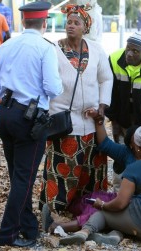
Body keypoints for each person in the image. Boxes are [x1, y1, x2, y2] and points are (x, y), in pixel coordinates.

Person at [0, 1, 63, 247]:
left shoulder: (6, 46)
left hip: (5, 114)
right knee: (23, 178)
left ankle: (28, 228)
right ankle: (7, 234)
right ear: (44, 23)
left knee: (17, 174)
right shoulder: (45, 48)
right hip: (29, 118)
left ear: (24, 21)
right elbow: (53, 88)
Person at [39, 4, 113, 222]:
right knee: (62, 170)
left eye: (76, 23)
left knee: (90, 170)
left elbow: (106, 78)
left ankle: (86, 210)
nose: (71, 26)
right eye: (68, 22)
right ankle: (52, 210)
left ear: (85, 27)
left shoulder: (97, 50)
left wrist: (102, 105)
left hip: (92, 123)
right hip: (63, 122)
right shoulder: (53, 49)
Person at [58, 124, 141, 245]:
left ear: (137, 146)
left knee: (103, 214)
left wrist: (102, 205)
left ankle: (84, 231)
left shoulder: (135, 168)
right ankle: (115, 235)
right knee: (121, 220)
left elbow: (120, 204)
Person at [105, 31, 141, 190]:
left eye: (135, 51)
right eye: (128, 48)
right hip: (120, 118)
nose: (129, 54)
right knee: (121, 154)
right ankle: (118, 190)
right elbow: (109, 91)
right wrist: (113, 118)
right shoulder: (114, 59)